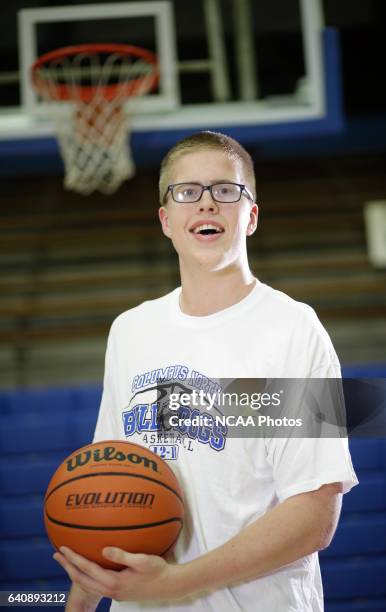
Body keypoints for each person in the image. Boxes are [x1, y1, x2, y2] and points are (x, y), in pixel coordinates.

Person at [55, 131, 358, 611]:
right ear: (166, 220)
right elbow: (107, 494)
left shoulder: (294, 329)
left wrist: (174, 583)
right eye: (186, 192)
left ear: (251, 215)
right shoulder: (131, 331)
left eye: (226, 190)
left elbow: (315, 515)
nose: (207, 204)